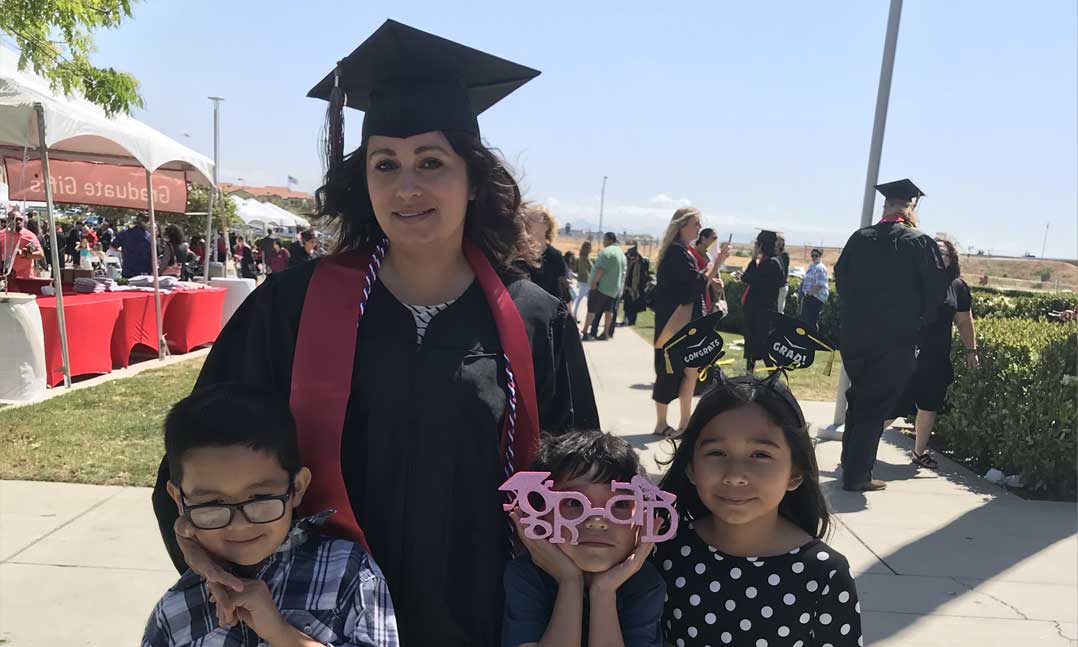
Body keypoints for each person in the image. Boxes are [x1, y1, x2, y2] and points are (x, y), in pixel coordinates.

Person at [152, 20, 596, 646]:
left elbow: (585, 485)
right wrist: (202, 553)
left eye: (431, 162)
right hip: (312, 618)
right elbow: (195, 459)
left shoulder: (535, 321)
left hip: (485, 619)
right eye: (385, 163)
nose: (406, 185)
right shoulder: (292, 307)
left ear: (473, 180)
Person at [141, 384, 399, 646]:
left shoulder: (347, 572)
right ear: (179, 500)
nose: (239, 525)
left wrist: (283, 635)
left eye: (260, 499)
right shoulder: (173, 614)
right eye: (212, 502)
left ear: (296, 488)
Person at [655, 376, 863, 646]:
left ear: (795, 473)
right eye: (716, 453)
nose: (735, 476)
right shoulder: (665, 552)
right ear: (691, 467)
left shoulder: (824, 573)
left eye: (760, 455)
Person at [834, 178, 947, 492]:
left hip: (855, 337)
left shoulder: (860, 238)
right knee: (873, 404)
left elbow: (841, 278)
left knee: (859, 398)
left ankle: (851, 463)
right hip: (894, 339)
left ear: (886, 206)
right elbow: (937, 293)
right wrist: (918, 320)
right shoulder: (919, 242)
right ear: (910, 208)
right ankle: (857, 475)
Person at [503, 431, 665, 646]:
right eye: (574, 503)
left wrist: (603, 592)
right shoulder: (526, 576)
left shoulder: (644, 583)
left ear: (643, 520)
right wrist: (570, 580)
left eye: (620, 504)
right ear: (539, 513)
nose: (597, 520)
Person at [893, 238, 978, 469]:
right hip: (907, 352)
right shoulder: (914, 280)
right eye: (934, 253)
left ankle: (919, 452)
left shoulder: (957, 286)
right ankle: (860, 448)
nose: (938, 257)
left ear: (952, 259)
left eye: (943, 254)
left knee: (929, 405)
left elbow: (963, 321)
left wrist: (972, 350)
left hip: (936, 357)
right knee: (893, 403)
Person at [651, 208, 729, 437]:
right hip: (674, 324)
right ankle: (661, 423)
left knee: (690, 371)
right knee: (669, 372)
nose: (698, 227)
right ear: (682, 225)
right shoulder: (677, 253)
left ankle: (685, 423)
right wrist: (718, 262)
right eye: (696, 223)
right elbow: (694, 286)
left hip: (686, 323)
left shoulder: (683, 251)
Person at [739, 230, 786, 374]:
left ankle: (770, 375)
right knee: (756, 345)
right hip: (761, 310)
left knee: (761, 346)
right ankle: (752, 375)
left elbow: (748, 278)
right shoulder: (774, 261)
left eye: (757, 244)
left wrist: (753, 259)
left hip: (760, 311)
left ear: (761, 245)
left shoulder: (770, 263)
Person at [582, 232, 627, 341]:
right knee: (609, 311)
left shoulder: (607, 252)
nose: (603, 242)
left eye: (604, 240)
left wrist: (594, 283)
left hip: (601, 287)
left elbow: (600, 269)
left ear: (610, 240)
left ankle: (585, 332)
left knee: (592, 310)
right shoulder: (622, 254)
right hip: (613, 289)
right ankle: (605, 333)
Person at [524, 204, 571, 303]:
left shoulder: (555, 256)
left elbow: (564, 292)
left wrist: (568, 316)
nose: (528, 219)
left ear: (547, 225)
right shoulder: (519, 253)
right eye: (528, 217)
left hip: (548, 312)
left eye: (534, 216)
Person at [0, 209, 45, 278]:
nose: (18, 222)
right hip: (6, 277)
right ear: (8, 220)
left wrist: (22, 254)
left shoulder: (29, 235)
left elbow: (40, 254)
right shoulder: (2, 235)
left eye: (20, 219)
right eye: (15, 219)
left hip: (25, 277)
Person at [619, 246, 650, 327]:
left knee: (634, 305)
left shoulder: (641, 264)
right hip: (628, 287)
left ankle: (631, 321)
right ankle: (626, 320)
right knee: (626, 304)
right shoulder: (629, 262)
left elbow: (642, 277)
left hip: (636, 288)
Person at [797, 248, 829, 326]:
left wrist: (809, 294)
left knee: (812, 320)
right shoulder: (811, 267)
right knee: (805, 320)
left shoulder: (820, 268)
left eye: (816, 255)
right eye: (812, 255)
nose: (814, 257)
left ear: (820, 256)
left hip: (815, 297)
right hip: (808, 296)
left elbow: (820, 284)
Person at [691, 228, 717, 313]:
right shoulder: (693, 254)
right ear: (703, 239)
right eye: (713, 238)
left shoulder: (707, 255)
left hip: (706, 295)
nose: (715, 241)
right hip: (696, 297)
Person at [571, 241, 593, 323]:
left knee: (580, 298)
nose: (591, 249)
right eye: (590, 247)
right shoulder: (584, 258)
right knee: (579, 299)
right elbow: (584, 271)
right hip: (585, 281)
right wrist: (590, 280)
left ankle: (574, 314)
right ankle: (574, 314)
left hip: (584, 281)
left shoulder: (584, 257)